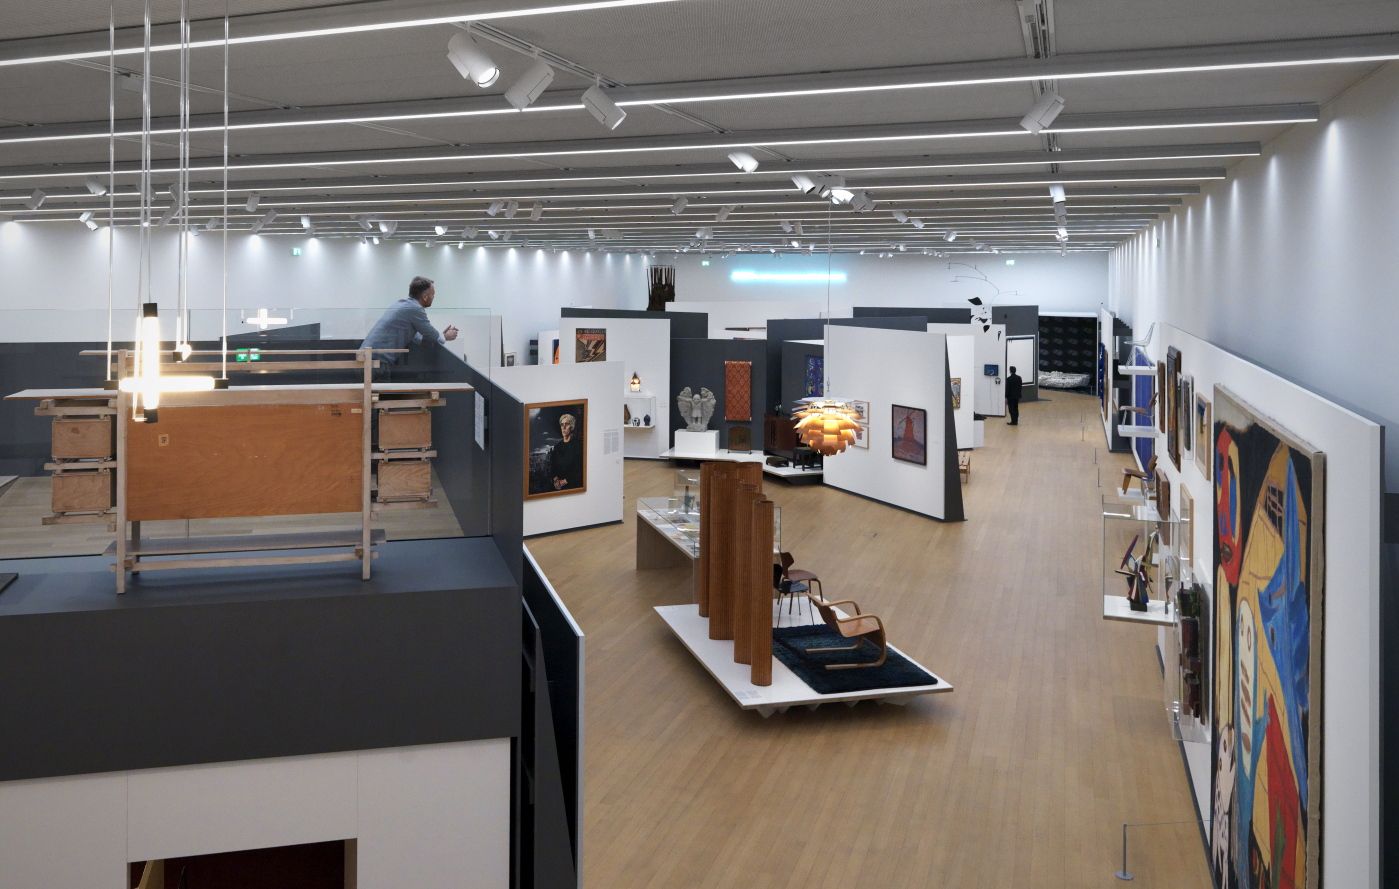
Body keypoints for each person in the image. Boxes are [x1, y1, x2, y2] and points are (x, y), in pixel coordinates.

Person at [360, 276, 458, 369]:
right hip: (376, 363)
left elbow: (419, 339)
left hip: (366, 358)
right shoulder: (415, 309)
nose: (433, 297)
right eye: (433, 294)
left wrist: (441, 335)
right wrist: (445, 336)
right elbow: (430, 332)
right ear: (425, 297)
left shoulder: (402, 304)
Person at [549, 413, 583, 491]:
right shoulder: (557, 447)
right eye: (562, 424)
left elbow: (578, 469)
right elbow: (553, 466)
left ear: (572, 427)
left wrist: (564, 481)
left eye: (566, 424)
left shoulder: (577, 445)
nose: (563, 427)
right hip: (558, 487)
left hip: (572, 486)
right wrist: (556, 480)